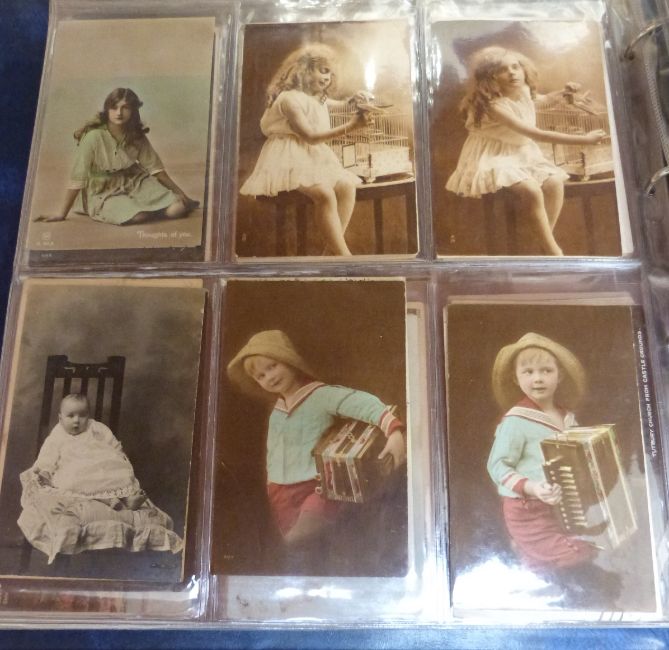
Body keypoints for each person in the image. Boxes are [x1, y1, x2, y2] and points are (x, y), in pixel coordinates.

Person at [227, 329, 406, 549]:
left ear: (288, 360)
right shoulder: (277, 413)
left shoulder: (320, 395)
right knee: (301, 550)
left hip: (318, 485)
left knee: (299, 539)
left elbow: (361, 403)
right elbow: (273, 453)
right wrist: (271, 485)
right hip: (280, 493)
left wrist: (393, 431)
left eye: (272, 366)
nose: (269, 377)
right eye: (261, 376)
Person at [487, 332, 620, 606]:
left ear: (559, 376)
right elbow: (497, 465)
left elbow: (578, 457)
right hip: (527, 510)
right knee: (570, 556)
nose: (538, 378)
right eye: (528, 372)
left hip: (562, 506)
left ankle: (559, 598)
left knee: (553, 564)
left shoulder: (567, 417)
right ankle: (581, 596)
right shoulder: (516, 421)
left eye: (546, 370)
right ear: (516, 378)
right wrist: (532, 487)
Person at [446, 47, 608, 256]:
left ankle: (542, 244)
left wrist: (563, 93)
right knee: (531, 190)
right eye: (503, 70)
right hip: (494, 154)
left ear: (524, 70)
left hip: (521, 151)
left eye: (515, 67)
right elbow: (536, 134)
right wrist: (584, 140)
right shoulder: (494, 106)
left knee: (555, 182)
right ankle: (553, 251)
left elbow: (542, 100)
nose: (512, 73)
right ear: (490, 78)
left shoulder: (522, 92)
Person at [239, 44, 373, 256]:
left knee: (347, 186)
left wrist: (355, 100)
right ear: (305, 70)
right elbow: (310, 137)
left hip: (311, 156)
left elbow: (340, 105)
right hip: (286, 156)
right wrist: (351, 127)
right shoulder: (288, 99)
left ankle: (331, 256)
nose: (327, 78)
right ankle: (344, 257)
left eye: (330, 73)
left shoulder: (316, 97)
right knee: (325, 194)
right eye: (323, 71)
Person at [18, 393, 182, 563]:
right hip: (75, 470)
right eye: (71, 416)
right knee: (70, 482)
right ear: (60, 418)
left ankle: (125, 499)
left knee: (117, 477)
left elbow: (114, 447)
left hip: (101, 469)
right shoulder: (58, 434)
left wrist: (117, 460)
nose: (77, 421)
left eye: (82, 415)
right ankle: (113, 501)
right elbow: (48, 456)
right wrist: (46, 471)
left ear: (88, 415)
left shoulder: (97, 428)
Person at [34, 87, 199, 226]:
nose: (119, 113)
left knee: (178, 209)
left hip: (135, 182)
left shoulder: (136, 135)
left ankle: (149, 205)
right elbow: (78, 177)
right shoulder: (93, 137)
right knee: (138, 217)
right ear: (107, 110)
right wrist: (61, 213)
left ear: (133, 111)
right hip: (103, 189)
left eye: (125, 107)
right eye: (114, 107)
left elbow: (157, 170)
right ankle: (137, 208)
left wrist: (185, 196)